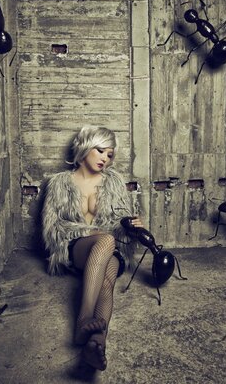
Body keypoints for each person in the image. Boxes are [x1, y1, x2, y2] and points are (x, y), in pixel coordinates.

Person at [41, 125, 142, 371]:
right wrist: (91, 232)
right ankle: (83, 319)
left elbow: (120, 220)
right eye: (100, 151)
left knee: (107, 281)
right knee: (105, 240)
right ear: (86, 147)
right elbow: (53, 228)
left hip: (110, 251)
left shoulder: (114, 183)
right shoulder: (60, 183)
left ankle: (97, 342)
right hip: (76, 247)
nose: (105, 159)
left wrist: (133, 225)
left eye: (110, 154)